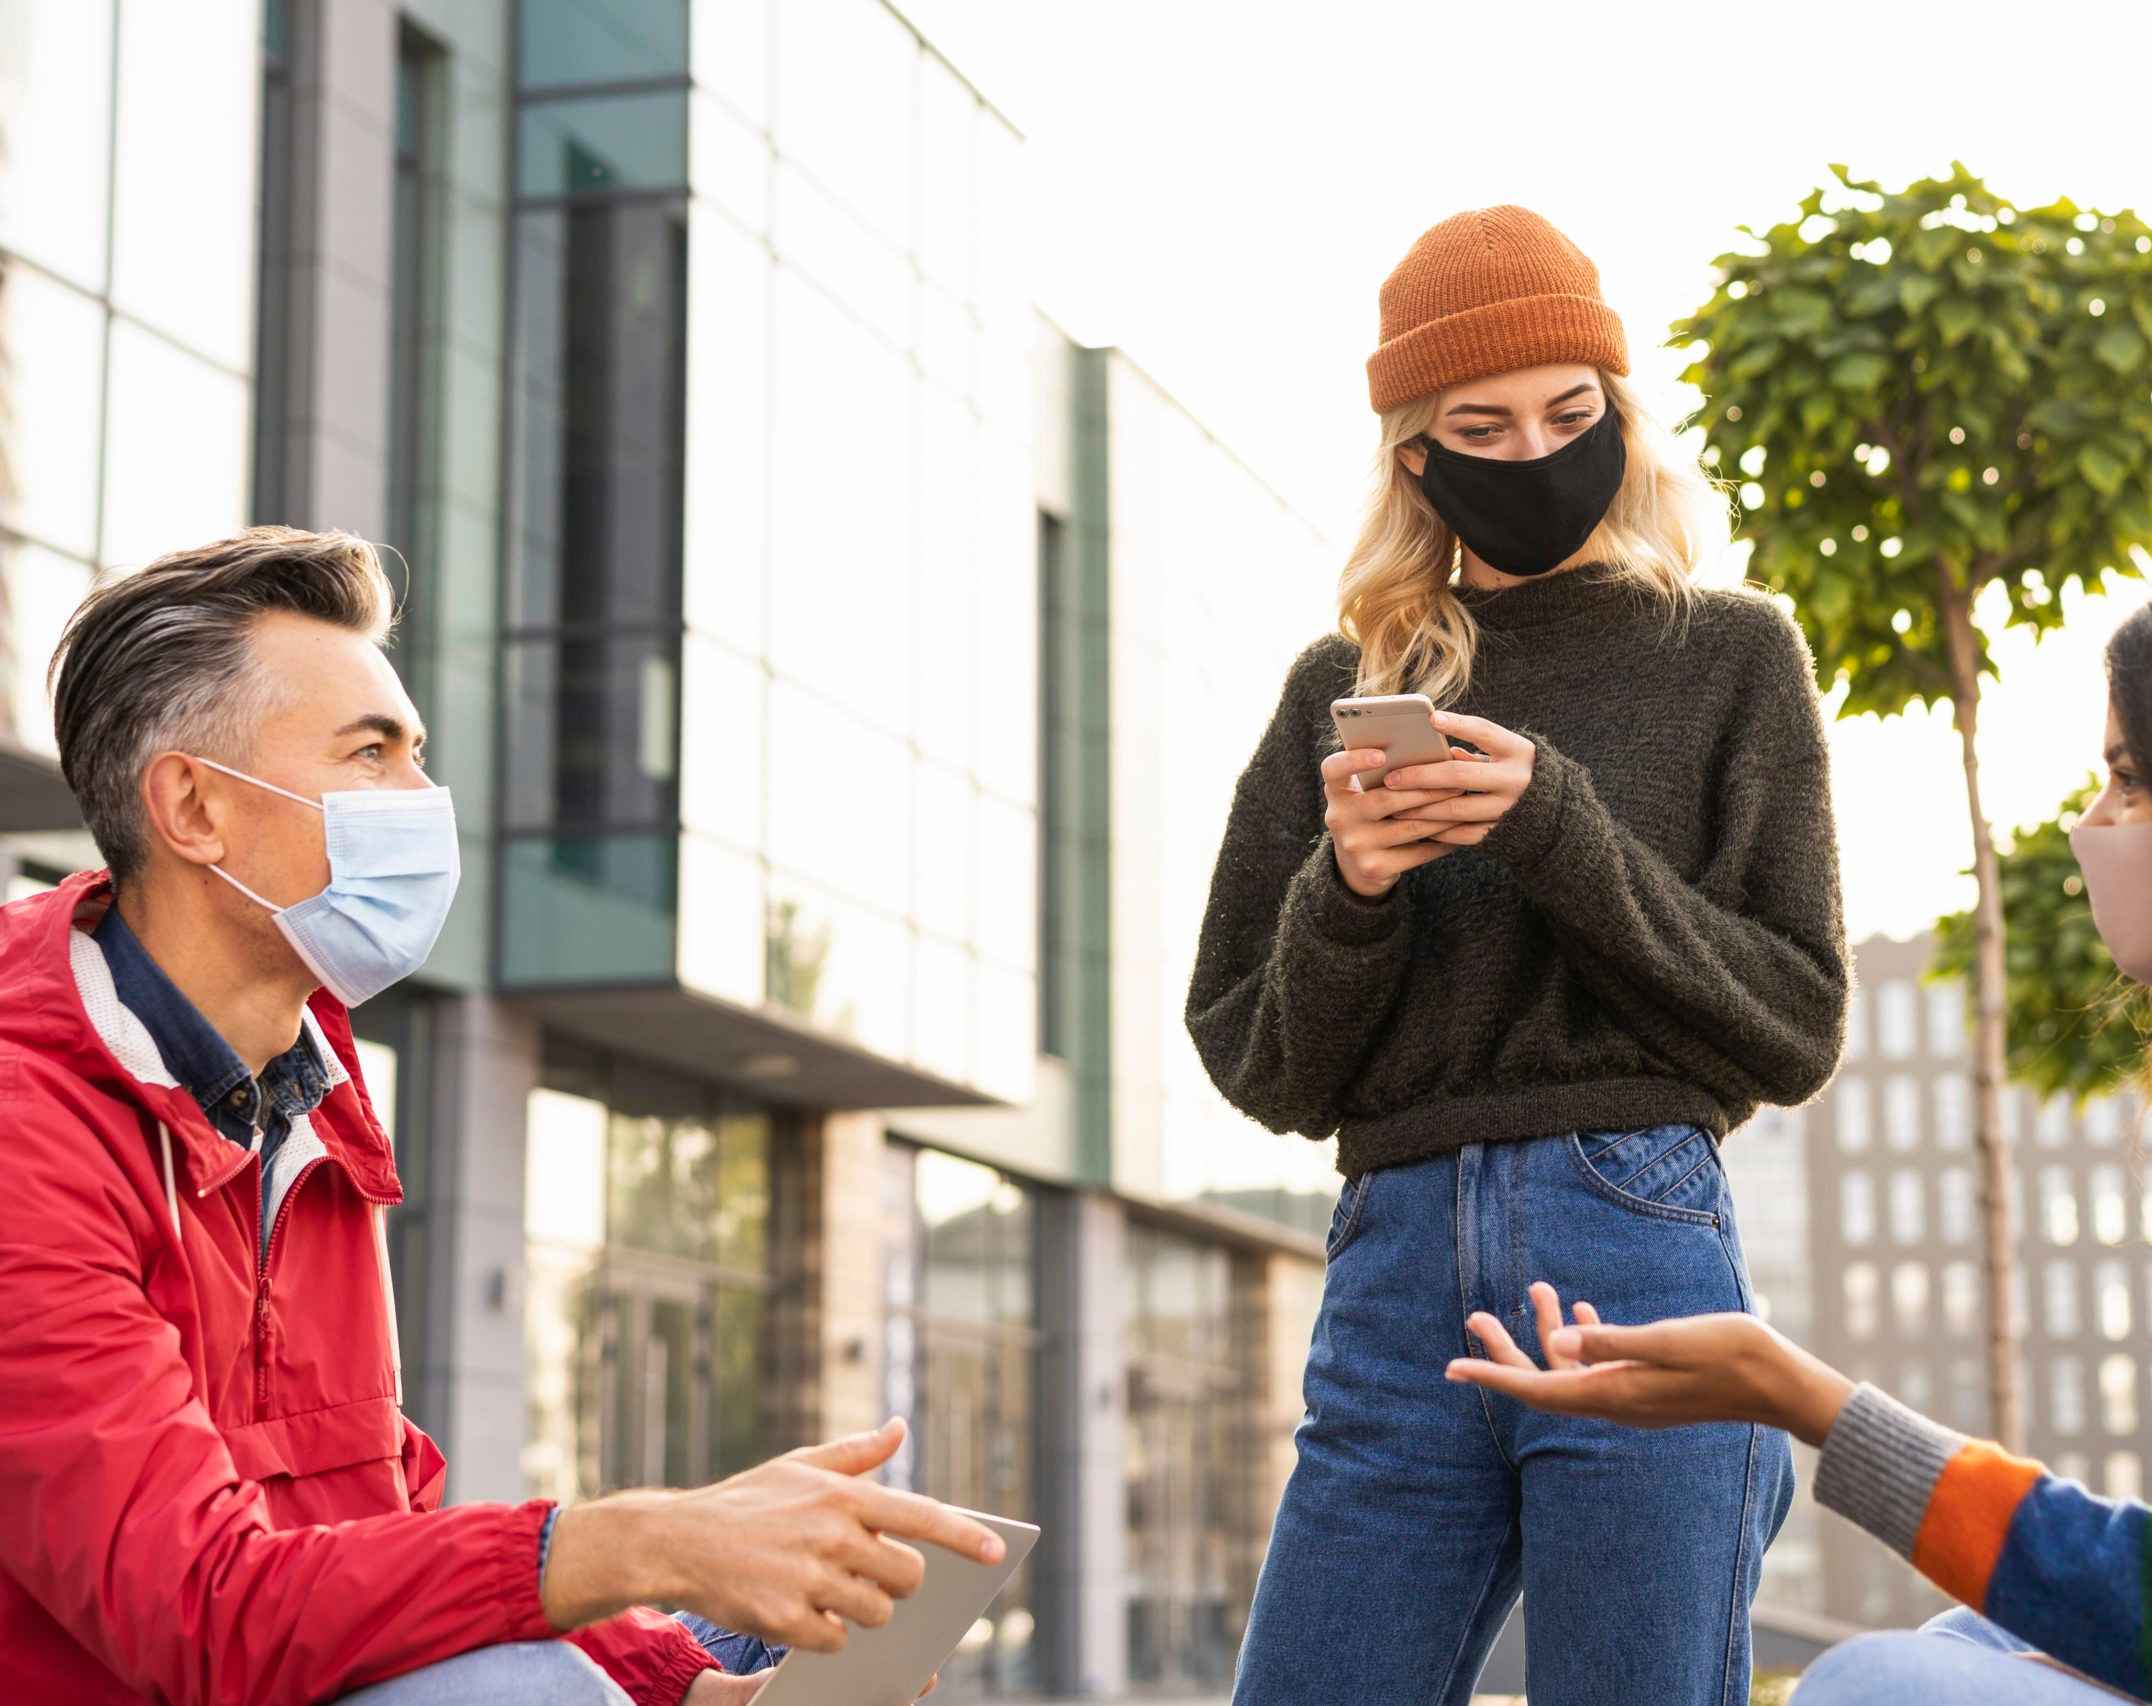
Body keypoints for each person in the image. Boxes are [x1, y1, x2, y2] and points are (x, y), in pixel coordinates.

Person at [1447, 549, 2152, 1704]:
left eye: (2130, 778)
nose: (2094, 823)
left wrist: (1802, 1398)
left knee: (1882, 1685)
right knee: (1967, 1644)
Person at [0, 528, 1006, 1706]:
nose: (424, 801)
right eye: (370, 753)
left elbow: (377, 1528)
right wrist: (651, 1538)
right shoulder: (31, 1121)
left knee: (717, 1645)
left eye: (417, 754)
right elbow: (203, 1611)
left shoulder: (306, 1106)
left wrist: (689, 1685)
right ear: (194, 806)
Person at [1186, 206, 1850, 1706]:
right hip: (1394, 1260)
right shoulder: (1336, 692)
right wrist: (1350, 888)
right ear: (1415, 454)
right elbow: (1261, 1063)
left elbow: (1793, 1020)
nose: (1538, 448)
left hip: (1636, 1236)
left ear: (1622, 415)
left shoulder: (1731, 654)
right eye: (1482, 423)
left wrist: (1557, 828)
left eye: (1574, 412)